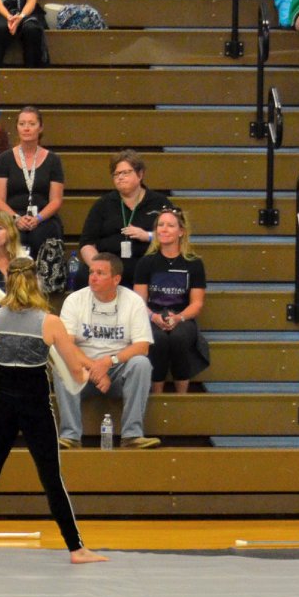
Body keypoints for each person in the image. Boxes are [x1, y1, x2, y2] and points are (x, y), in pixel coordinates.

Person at [0, 257, 103, 563]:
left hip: (1, 406)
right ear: (37, 282)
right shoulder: (50, 322)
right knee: (51, 479)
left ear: (8, 281)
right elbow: (75, 373)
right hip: (35, 408)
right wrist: (88, 372)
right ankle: (76, 549)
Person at [56, 251, 158, 448]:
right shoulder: (75, 300)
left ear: (116, 279)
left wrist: (108, 362)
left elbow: (142, 346)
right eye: (91, 272)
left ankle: (132, 435)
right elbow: (66, 344)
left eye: (100, 273)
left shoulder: (133, 301)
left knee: (141, 363)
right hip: (83, 372)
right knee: (62, 364)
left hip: (119, 371)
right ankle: (70, 436)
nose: (93, 277)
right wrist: (96, 368)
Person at [133, 206, 210, 393]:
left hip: (182, 316)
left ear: (181, 231)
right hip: (152, 315)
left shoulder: (194, 263)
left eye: (170, 225)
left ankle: (181, 397)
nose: (164, 229)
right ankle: (158, 395)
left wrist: (178, 318)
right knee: (157, 339)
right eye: (160, 225)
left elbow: (197, 303)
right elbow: (139, 301)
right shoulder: (146, 262)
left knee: (179, 338)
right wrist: (153, 317)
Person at [0, 106, 66, 289]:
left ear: (40, 128)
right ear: (17, 127)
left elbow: (56, 200)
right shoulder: (4, 159)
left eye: (31, 124)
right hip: (12, 215)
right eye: (22, 123)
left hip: (43, 216)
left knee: (42, 233)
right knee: (11, 233)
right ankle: (11, 285)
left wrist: (38, 218)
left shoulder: (53, 160)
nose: (26, 128)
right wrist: (16, 218)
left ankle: (44, 286)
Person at [78, 148, 168, 288]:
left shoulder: (159, 203)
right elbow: (86, 243)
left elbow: (175, 236)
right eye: (116, 174)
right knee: (83, 275)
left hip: (147, 265)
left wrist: (148, 236)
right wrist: (99, 269)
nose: (120, 177)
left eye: (125, 172)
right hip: (111, 267)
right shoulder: (103, 204)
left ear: (140, 174)